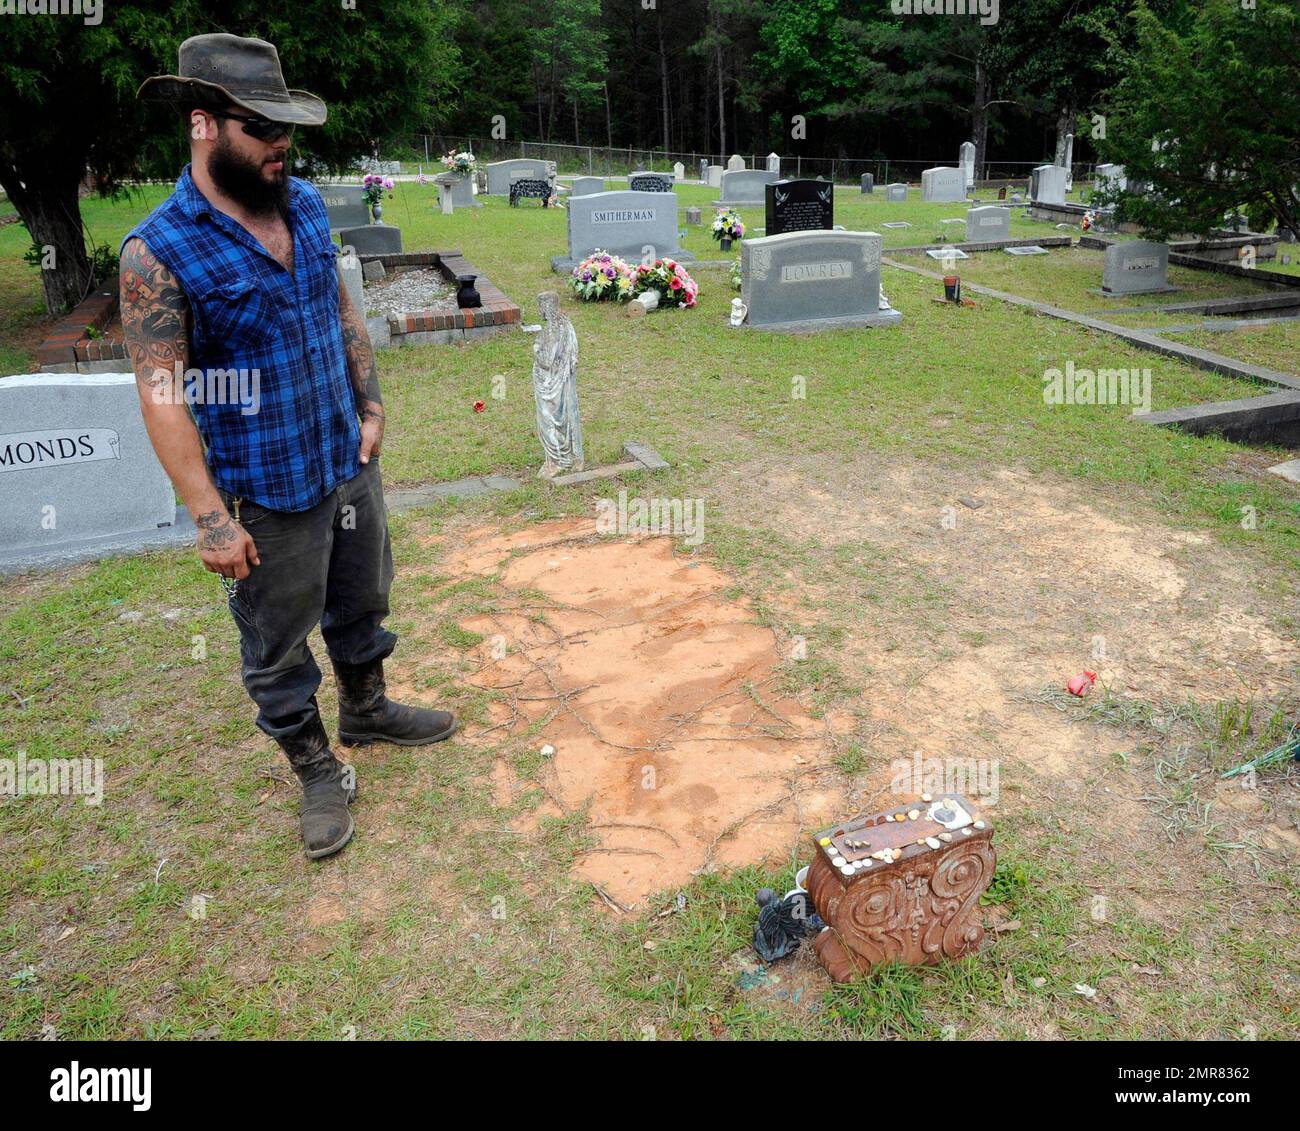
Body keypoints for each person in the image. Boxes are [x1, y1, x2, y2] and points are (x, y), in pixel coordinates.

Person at [119, 33, 455, 860]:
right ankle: (314, 767)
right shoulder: (158, 251)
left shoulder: (301, 203)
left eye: (287, 130)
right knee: (275, 641)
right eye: (260, 130)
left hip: (345, 460)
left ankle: (368, 708)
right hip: (266, 491)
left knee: (362, 596)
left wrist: (370, 400)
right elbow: (161, 394)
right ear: (204, 126)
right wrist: (208, 516)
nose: (280, 147)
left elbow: (340, 312)